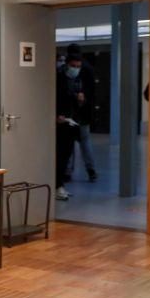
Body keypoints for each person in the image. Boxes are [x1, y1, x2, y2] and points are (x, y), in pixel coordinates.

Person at [63, 45, 97, 182]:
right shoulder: (88, 68)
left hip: (73, 113)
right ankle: (91, 170)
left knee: (70, 143)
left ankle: (68, 171)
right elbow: (93, 91)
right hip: (83, 113)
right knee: (85, 142)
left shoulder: (67, 69)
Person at [55, 54, 82, 200]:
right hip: (61, 124)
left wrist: (80, 99)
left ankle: (60, 185)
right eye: (73, 66)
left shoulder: (75, 80)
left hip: (71, 123)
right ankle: (57, 185)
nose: (75, 69)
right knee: (59, 157)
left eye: (78, 67)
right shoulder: (59, 79)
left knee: (66, 157)